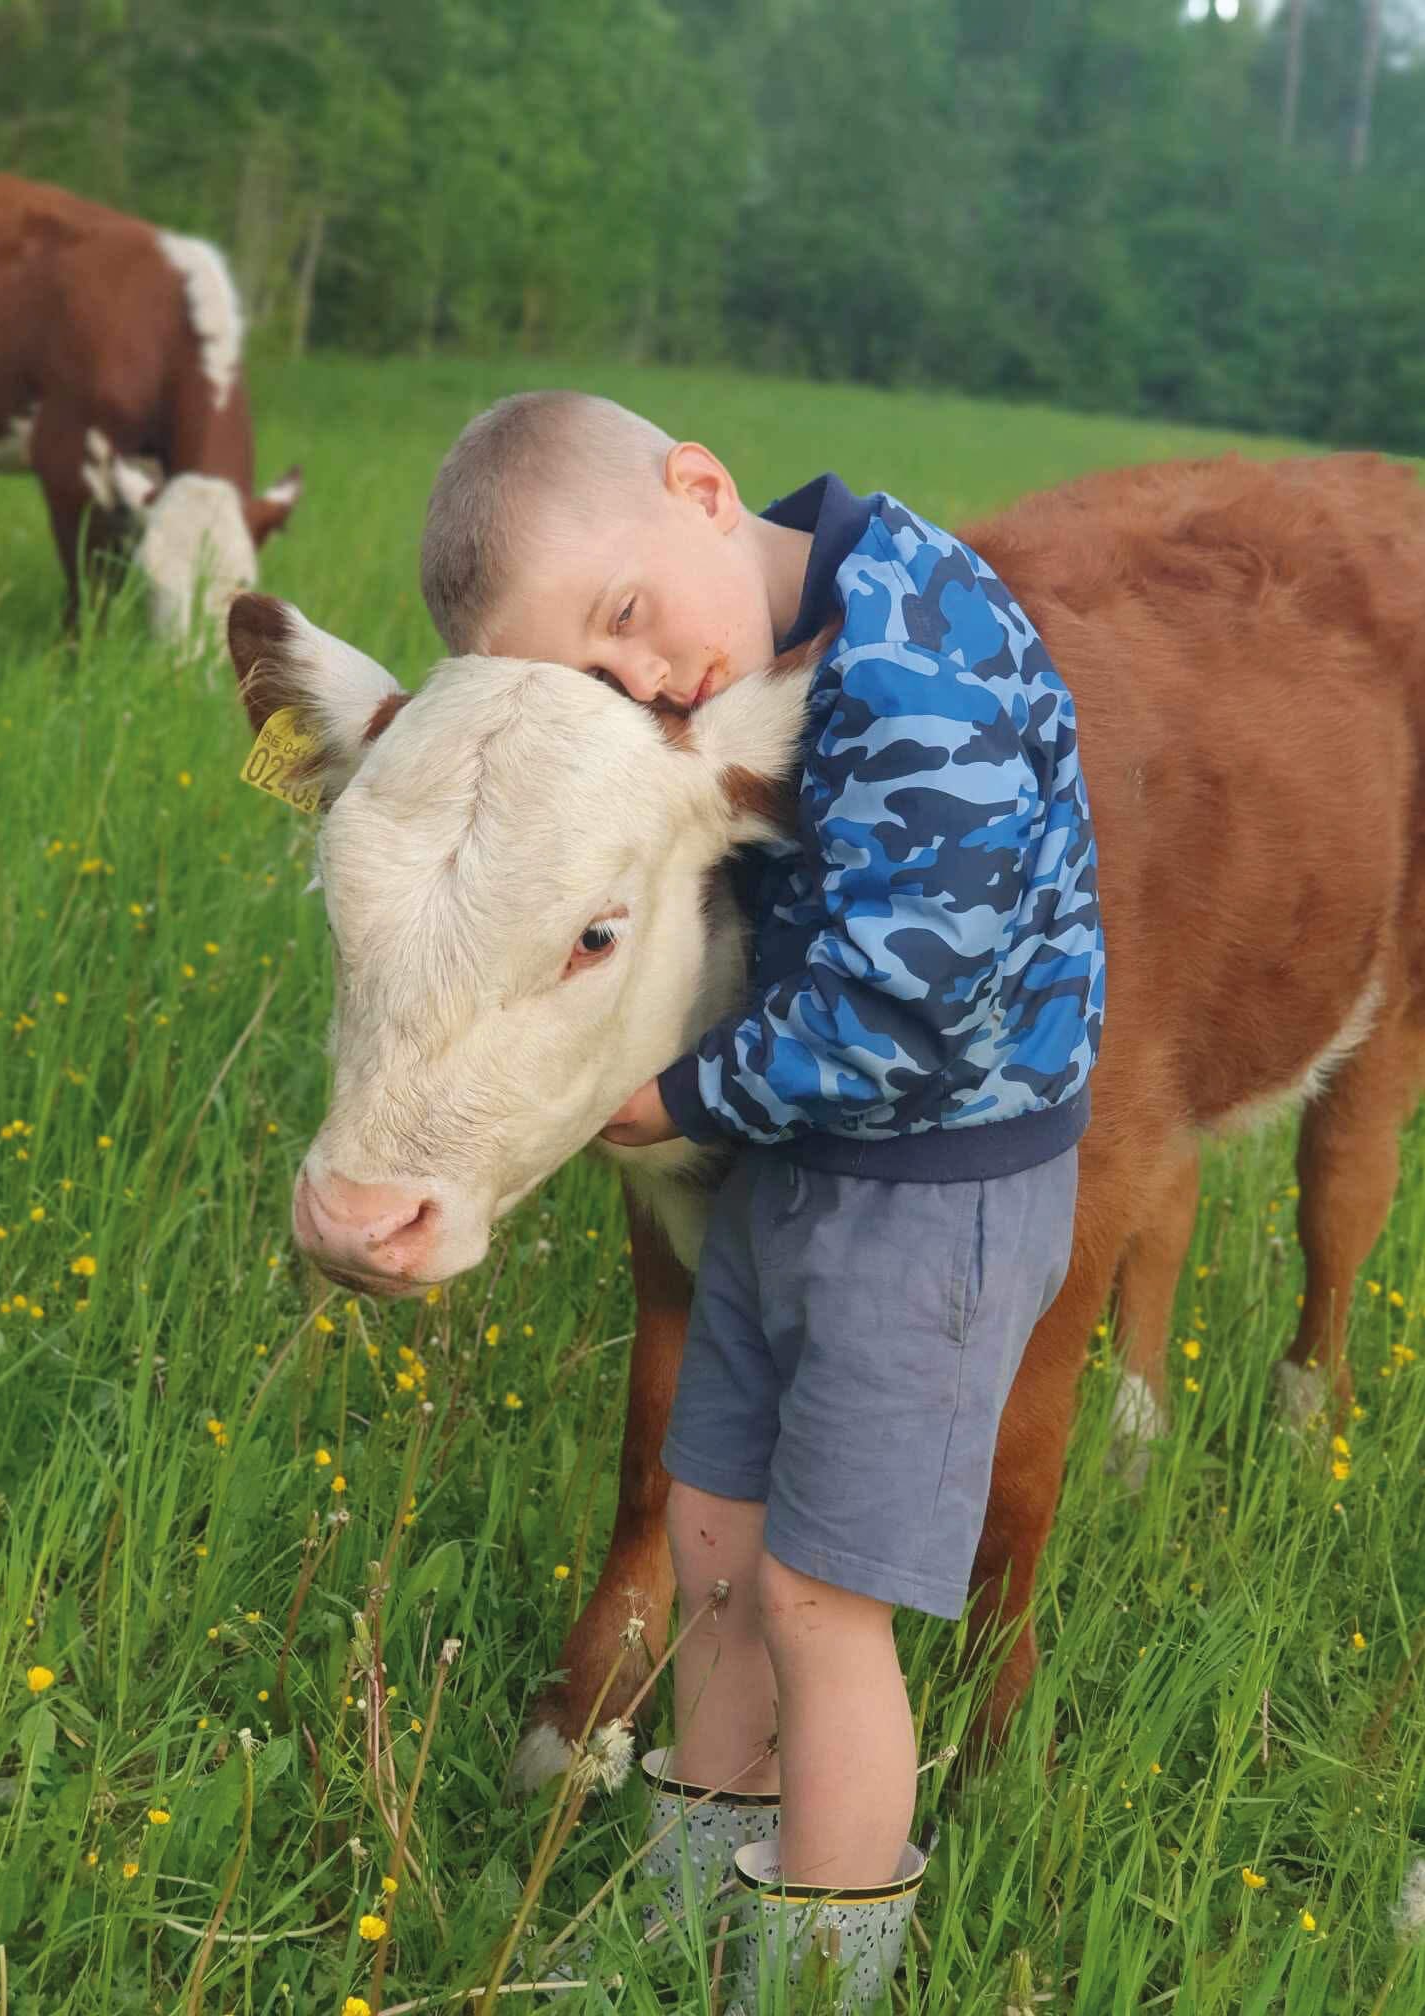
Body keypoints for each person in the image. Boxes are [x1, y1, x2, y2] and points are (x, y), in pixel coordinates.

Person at [421, 390, 1103, 1895]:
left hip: (935, 1184)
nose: (651, 681)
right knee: (716, 1548)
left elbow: (903, 997)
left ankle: (820, 1948)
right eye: (599, 677)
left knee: (815, 1599)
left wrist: (674, 1100)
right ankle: (691, 1901)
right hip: (793, 1158)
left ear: (705, 487)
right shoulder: (762, 649)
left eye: (630, 619)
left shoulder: (922, 663)